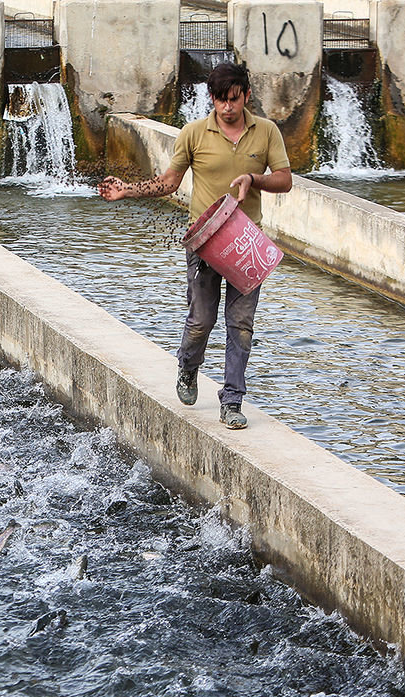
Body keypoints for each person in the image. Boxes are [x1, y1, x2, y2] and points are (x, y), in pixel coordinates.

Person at [97, 62, 291, 430]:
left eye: (234, 99)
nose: (227, 107)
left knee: (241, 325)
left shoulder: (266, 131)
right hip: (205, 243)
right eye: (220, 100)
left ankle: (232, 401)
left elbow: (285, 179)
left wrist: (254, 179)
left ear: (247, 96)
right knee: (201, 320)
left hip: (247, 243)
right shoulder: (194, 133)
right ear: (212, 99)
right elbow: (170, 182)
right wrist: (128, 190)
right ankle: (188, 366)